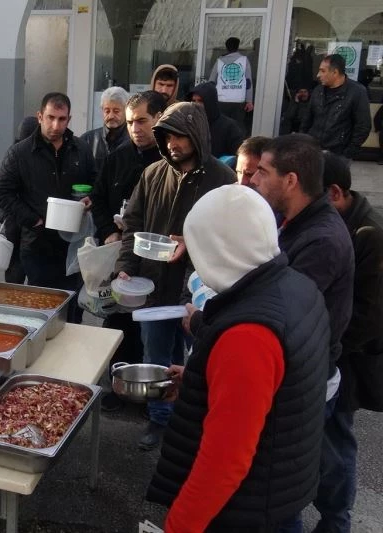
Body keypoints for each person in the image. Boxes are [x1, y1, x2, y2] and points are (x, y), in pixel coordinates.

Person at [146, 185, 330, 532]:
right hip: (281, 486)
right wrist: (202, 380)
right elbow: (280, 389)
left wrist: (180, 525)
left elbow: (225, 461)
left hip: (244, 508)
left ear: (217, 250)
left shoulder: (247, 334)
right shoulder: (295, 286)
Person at [115, 102, 236, 450]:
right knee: (156, 358)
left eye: (179, 136)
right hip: (153, 288)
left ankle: (192, 425)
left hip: (199, 292)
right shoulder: (153, 173)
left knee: (200, 361)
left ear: (196, 135)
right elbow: (133, 225)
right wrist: (125, 267)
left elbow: (229, 238)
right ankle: (159, 419)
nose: (172, 144)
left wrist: (192, 245)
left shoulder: (223, 180)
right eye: (167, 136)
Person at [249, 134, 354, 532]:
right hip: (292, 373)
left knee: (278, 495)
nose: (254, 179)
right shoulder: (293, 222)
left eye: (263, 172)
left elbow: (278, 313)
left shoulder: (322, 239)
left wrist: (208, 320)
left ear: (291, 180)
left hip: (303, 381)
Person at [90, 90, 166, 410]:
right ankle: (119, 388)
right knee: (117, 321)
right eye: (132, 122)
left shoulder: (167, 161)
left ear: (159, 119)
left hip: (155, 259)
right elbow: (98, 199)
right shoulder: (117, 156)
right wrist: (107, 231)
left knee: (150, 328)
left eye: (142, 121)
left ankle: (151, 395)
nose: (135, 129)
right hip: (120, 252)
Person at [0, 92, 97, 324]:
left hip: (73, 245)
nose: (55, 125)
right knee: (42, 311)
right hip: (37, 245)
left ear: (69, 119)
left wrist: (91, 198)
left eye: (61, 119)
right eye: (50, 118)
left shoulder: (81, 149)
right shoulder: (20, 152)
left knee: (72, 312)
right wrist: (33, 220)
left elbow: (96, 182)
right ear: (40, 116)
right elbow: (1, 193)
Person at [323, 151, 383, 414]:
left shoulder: (370, 236)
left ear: (335, 193)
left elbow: (369, 315)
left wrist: (328, 349)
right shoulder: (339, 222)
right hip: (337, 352)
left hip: (349, 360)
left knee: (337, 429)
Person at [303, 54, 371, 161]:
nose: (318, 75)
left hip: (338, 154)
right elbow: (307, 119)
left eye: (323, 71)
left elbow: (363, 126)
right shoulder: (318, 90)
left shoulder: (357, 92)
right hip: (313, 150)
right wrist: (303, 142)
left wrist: (348, 152)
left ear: (335, 72)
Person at [0, 116, 40, 285]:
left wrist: (5, 217)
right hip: (28, 222)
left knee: (14, 268)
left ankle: (13, 295)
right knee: (29, 267)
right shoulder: (31, 154)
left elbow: (1, 190)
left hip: (14, 221)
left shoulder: (12, 152)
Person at [187, 81, 245, 158]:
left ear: (210, 102)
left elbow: (239, 156)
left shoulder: (229, 127)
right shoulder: (188, 124)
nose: (196, 104)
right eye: (193, 101)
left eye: (200, 101)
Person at [80, 86, 131, 173]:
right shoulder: (87, 140)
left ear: (126, 111)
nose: (111, 116)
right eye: (107, 111)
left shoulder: (134, 140)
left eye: (116, 111)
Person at [208, 37, 254, 124]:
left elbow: (211, 82)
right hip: (239, 100)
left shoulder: (219, 61)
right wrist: (249, 101)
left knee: (222, 126)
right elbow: (248, 83)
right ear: (237, 47)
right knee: (236, 127)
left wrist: (210, 100)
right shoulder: (244, 60)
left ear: (226, 47)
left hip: (221, 100)